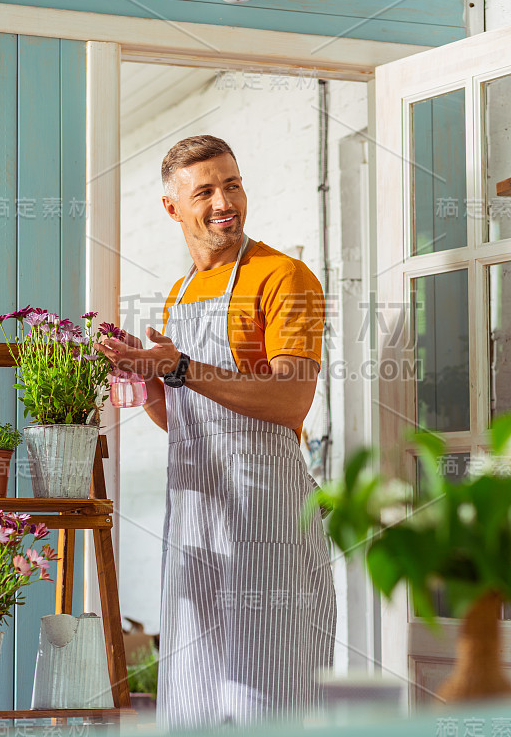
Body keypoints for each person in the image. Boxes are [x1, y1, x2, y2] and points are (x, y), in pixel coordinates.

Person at [96, 135, 336, 729]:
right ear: (173, 207)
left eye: (231, 184)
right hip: (198, 519)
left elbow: (290, 398)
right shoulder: (179, 295)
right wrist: (147, 375)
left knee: (269, 690)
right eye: (204, 191)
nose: (224, 201)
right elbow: (181, 420)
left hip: (265, 518)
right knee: (194, 693)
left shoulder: (287, 277)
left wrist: (179, 367)